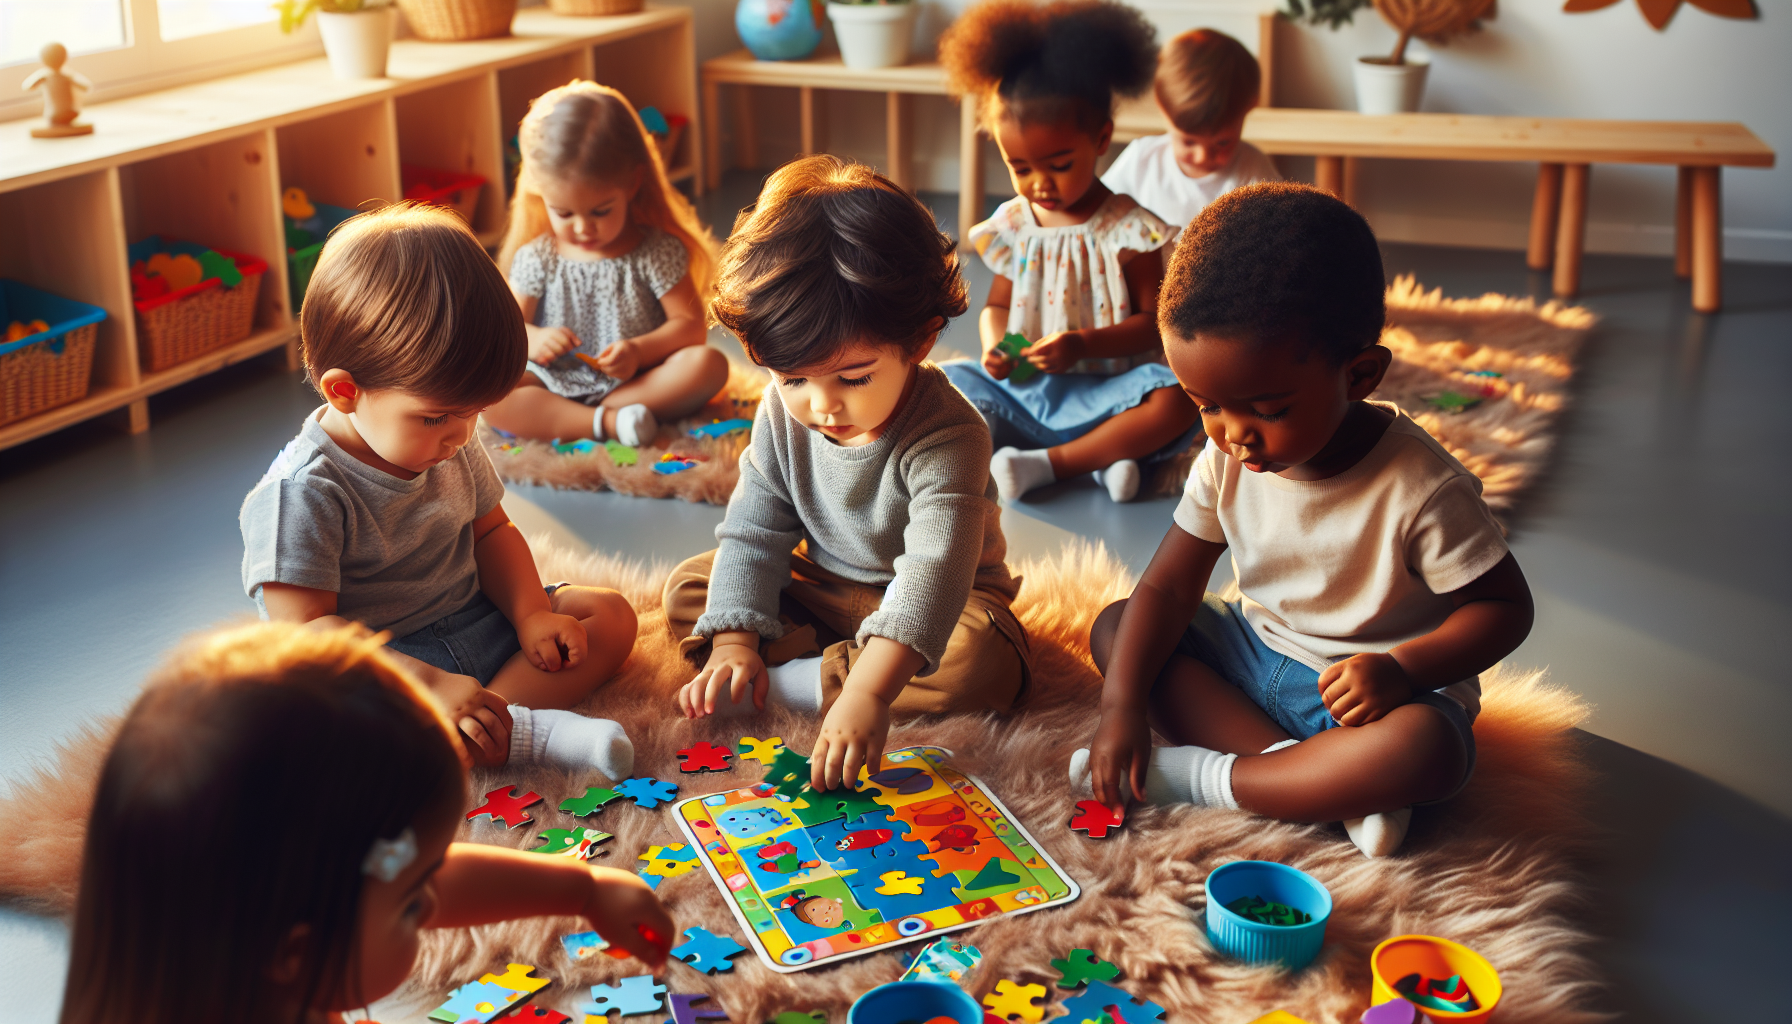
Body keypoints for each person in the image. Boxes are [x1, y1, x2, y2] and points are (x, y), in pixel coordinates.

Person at [1072, 184, 1534, 857]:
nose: (1235, 436)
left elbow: (1504, 610)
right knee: (1120, 628)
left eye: (1268, 409)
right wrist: (1121, 709)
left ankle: (1214, 778)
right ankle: (1313, 779)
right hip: (1256, 655)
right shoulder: (1226, 454)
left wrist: (1402, 670)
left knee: (1426, 749)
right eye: (1206, 406)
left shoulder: (1422, 487)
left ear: (1361, 375)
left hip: (1371, 693)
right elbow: (1169, 589)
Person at [57, 622, 674, 1024]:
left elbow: (407, 873)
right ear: (295, 952)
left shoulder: (248, 947)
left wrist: (582, 889)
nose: (428, 904)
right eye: (411, 906)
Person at [664, 156, 1031, 792]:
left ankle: (797, 682)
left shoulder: (952, 432)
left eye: (853, 378)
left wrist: (867, 692)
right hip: (826, 587)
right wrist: (731, 646)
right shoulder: (784, 413)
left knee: (981, 661)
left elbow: (934, 572)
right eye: (792, 378)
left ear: (920, 340)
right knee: (694, 589)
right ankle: (770, 663)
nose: (822, 405)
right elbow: (755, 530)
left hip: (943, 602)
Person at [241, 204, 637, 778]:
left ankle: (495, 722)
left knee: (608, 615)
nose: (461, 434)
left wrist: (528, 614)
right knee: (331, 745)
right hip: (389, 664)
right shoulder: (300, 494)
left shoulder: (450, 439)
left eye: (474, 413)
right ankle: (505, 727)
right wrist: (427, 685)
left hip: (475, 617)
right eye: (436, 418)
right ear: (346, 391)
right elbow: (306, 639)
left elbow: (492, 531)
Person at [937, 0, 1201, 504]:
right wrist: (999, 346)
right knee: (942, 385)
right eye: (1020, 167)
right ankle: (1109, 460)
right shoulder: (1015, 225)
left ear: (1101, 138)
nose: (1039, 184)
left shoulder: (1128, 229)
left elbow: (1153, 323)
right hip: (1030, 389)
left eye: (1058, 164)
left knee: (1178, 399)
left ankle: (1052, 465)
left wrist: (1081, 345)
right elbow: (997, 307)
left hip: (1113, 391)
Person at [486, 81, 728, 448]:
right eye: (563, 212)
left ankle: (594, 415)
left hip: (637, 381)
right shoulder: (539, 256)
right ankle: (607, 422)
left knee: (708, 365)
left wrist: (638, 352)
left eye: (601, 211)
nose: (583, 228)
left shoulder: (655, 251)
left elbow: (690, 328)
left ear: (633, 184)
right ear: (541, 194)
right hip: (554, 381)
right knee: (491, 396)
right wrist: (535, 339)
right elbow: (510, 329)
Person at [1100, 28, 1280, 230]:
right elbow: (1099, 208)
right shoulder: (1141, 159)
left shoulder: (1253, 172)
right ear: (1163, 107)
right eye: (1189, 141)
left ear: (1250, 106)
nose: (1202, 157)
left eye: (1222, 142)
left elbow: (1278, 233)